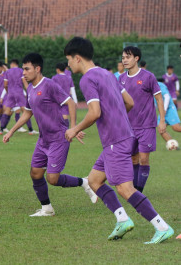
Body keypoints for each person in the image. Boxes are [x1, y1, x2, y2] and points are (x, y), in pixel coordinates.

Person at [64, 37, 173, 244]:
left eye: (69, 59)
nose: (68, 64)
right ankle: (122, 219)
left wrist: (74, 129)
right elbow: (129, 102)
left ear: (77, 58)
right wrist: (117, 118)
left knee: (125, 189)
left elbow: (94, 112)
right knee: (94, 180)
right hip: (124, 136)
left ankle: (162, 226)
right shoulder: (108, 74)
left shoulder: (87, 79)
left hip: (116, 140)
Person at [3, 53, 97, 217]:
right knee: (35, 173)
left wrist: (73, 128)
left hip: (59, 138)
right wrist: (11, 130)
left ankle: (85, 182)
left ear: (37, 69)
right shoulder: (31, 88)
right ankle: (47, 208)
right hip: (43, 140)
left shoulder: (49, 85)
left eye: (27, 69)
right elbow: (27, 113)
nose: (23, 73)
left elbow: (70, 102)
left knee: (52, 179)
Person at [119, 46, 165, 193]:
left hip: (147, 126)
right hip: (128, 127)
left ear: (136, 58)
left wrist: (162, 120)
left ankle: (138, 191)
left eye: (127, 57)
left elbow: (159, 98)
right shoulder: (121, 79)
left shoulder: (148, 76)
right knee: (132, 159)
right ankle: (134, 189)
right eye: (123, 58)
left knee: (144, 159)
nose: (124, 60)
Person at [0, 59, 37, 135]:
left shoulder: (7, 72)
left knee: (7, 110)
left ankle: (1, 129)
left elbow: (5, 85)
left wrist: (8, 92)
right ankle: (30, 130)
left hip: (10, 93)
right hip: (19, 92)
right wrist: (29, 91)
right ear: (17, 64)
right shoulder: (20, 71)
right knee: (25, 111)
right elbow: (24, 82)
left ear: (11, 64)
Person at [155, 78, 181, 144]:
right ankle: (173, 145)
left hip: (169, 109)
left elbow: (167, 97)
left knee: (176, 128)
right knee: (161, 130)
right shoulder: (147, 87)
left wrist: (164, 109)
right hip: (161, 111)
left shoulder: (160, 85)